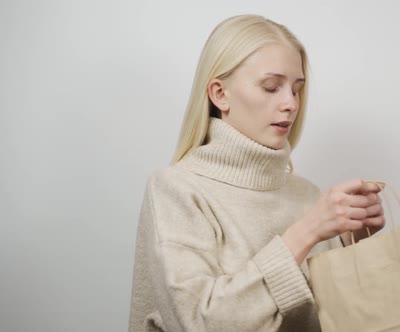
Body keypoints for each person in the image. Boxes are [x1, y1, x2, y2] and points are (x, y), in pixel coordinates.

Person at [128, 14, 385, 332]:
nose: (291, 103)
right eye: (271, 87)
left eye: (296, 89)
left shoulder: (307, 194)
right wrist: (306, 232)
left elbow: (338, 320)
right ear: (220, 94)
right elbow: (198, 322)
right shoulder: (175, 190)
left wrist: (354, 244)